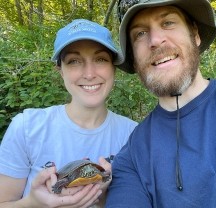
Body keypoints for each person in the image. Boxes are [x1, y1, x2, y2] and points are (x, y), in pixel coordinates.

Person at [106, 0, 216, 207]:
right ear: (133, 58)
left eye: (168, 22)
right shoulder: (133, 159)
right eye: (140, 33)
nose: (156, 40)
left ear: (195, 34)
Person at [0, 19, 137, 207]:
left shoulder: (133, 136)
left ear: (113, 68)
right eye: (74, 61)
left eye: (100, 59)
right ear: (61, 71)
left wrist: (103, 194)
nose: (89, 74)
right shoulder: (27, 127)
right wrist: (33, 203)